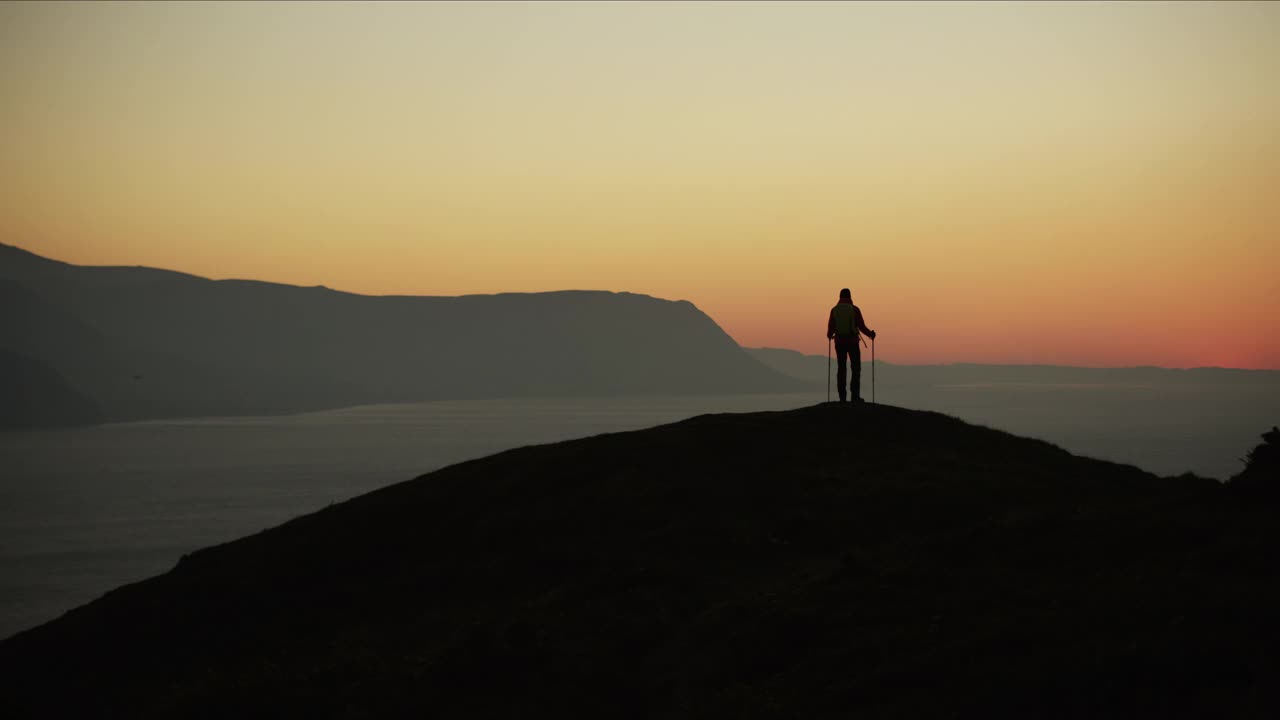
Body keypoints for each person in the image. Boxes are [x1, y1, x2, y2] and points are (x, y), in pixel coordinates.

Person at [827, 288, 875, 403]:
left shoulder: (834, 310)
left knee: (841, 369)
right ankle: (855, 396)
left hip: (839, 342)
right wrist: (871, 334)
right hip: (852, 342)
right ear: (850, 297)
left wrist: (830, 335)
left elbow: (829, 332)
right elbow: (862, 327)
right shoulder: (854, 310)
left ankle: (842, 397)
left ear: (839, 297)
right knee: (855, 369)